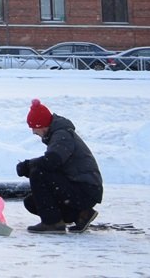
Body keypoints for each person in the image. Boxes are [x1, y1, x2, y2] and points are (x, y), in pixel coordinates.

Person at [16, 98, 103, 233]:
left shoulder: (62, 135)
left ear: (42, 125)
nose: (33, 132)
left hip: (86, 189)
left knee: (37, 172)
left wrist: (28, 165)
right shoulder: (59, 134)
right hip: (81, 189)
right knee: (32, 202)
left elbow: (52, 161)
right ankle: (81, 215)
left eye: (34, 128)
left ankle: (52, 223)